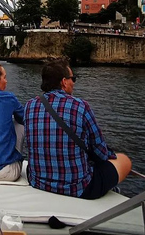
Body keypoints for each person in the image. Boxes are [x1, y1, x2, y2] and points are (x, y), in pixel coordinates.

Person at [24, 60, 131, 200]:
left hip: (38, 182)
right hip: (77, 188)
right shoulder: (80, 106)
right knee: (124, 161)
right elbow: (101, 152)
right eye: (72, 79)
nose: (74, 83)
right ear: (64, 82)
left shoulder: (29, 106)